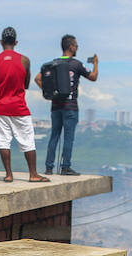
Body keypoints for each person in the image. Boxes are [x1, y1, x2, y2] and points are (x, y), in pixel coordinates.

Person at [0, 27, 50, 184]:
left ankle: (9, 175)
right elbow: (26, 84)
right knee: (28, 141)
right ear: (16, 42)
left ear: (1, 42)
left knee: (3, 141)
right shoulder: (25, 60)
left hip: (1, 107)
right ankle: (33, 174)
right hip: (19, 107)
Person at [34, 34, 97, 176]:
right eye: (76, 45)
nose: (77, 48)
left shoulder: (53, 63)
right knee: (68, 137)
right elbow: (93, 77)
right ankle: (65, 167)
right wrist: (96, 64)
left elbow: (37, 78)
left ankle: (49, 168)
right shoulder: (76, 64)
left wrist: (48, 92)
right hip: (70, 106)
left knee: (54, 136)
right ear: (71, 47)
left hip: (55, 106)